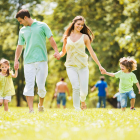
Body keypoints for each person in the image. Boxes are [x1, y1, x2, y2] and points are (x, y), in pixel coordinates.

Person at [14, 9, 60, 113]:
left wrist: (56, 51)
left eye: (20, 21)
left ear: (25, 17)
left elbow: (51, 38)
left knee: (41, 86)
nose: (20, 23)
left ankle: (40, 105)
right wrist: (16, 60)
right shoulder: (22, 30)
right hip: (28, 61)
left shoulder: (42, 26)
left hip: (42, 60)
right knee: (29, 85)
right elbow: (19, 46)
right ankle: (31, 110)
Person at [59, 16, 106, 111]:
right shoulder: (66, 37)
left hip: (83, 66)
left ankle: (83, 100)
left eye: (82, 25)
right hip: (70, 66)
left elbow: (92, 52)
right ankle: (77, 108)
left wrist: (100, 66)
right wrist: (58, 54)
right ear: (74, 23)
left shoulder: (85, 37)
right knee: (75, 86)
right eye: (78, 24)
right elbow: (63, 52)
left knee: (84, 91)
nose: (80, 26)